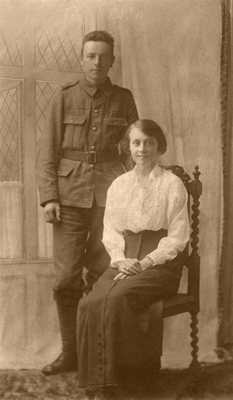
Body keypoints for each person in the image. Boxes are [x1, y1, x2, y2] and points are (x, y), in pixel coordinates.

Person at [36, 30, 138, 376]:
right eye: (90, 56)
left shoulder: (124, 99)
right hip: (68, 198)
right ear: (82, 59)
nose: (97, 62)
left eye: (103, 57)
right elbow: (47, 150)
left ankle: (96, 358)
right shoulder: (64, 97)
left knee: (100, 277)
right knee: (66, 279)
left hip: (110, 198)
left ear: (112, 61)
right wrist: (49, 196)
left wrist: (135, 195)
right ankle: (70, 354)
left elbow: (133, 150)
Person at [77, 119, 190, 399]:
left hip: (160, 263)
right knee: (89, 301)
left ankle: (131, 382)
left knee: (118, 298)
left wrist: (147, 261)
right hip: (125, 258)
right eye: (137, 142)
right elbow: (111, 229)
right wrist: (119, 259)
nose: (142, 149)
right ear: (128, 147)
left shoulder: (172, 184)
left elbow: (177, 237)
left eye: (149, 143)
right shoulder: (119, 185)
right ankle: (100, 381)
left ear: (158, 146)